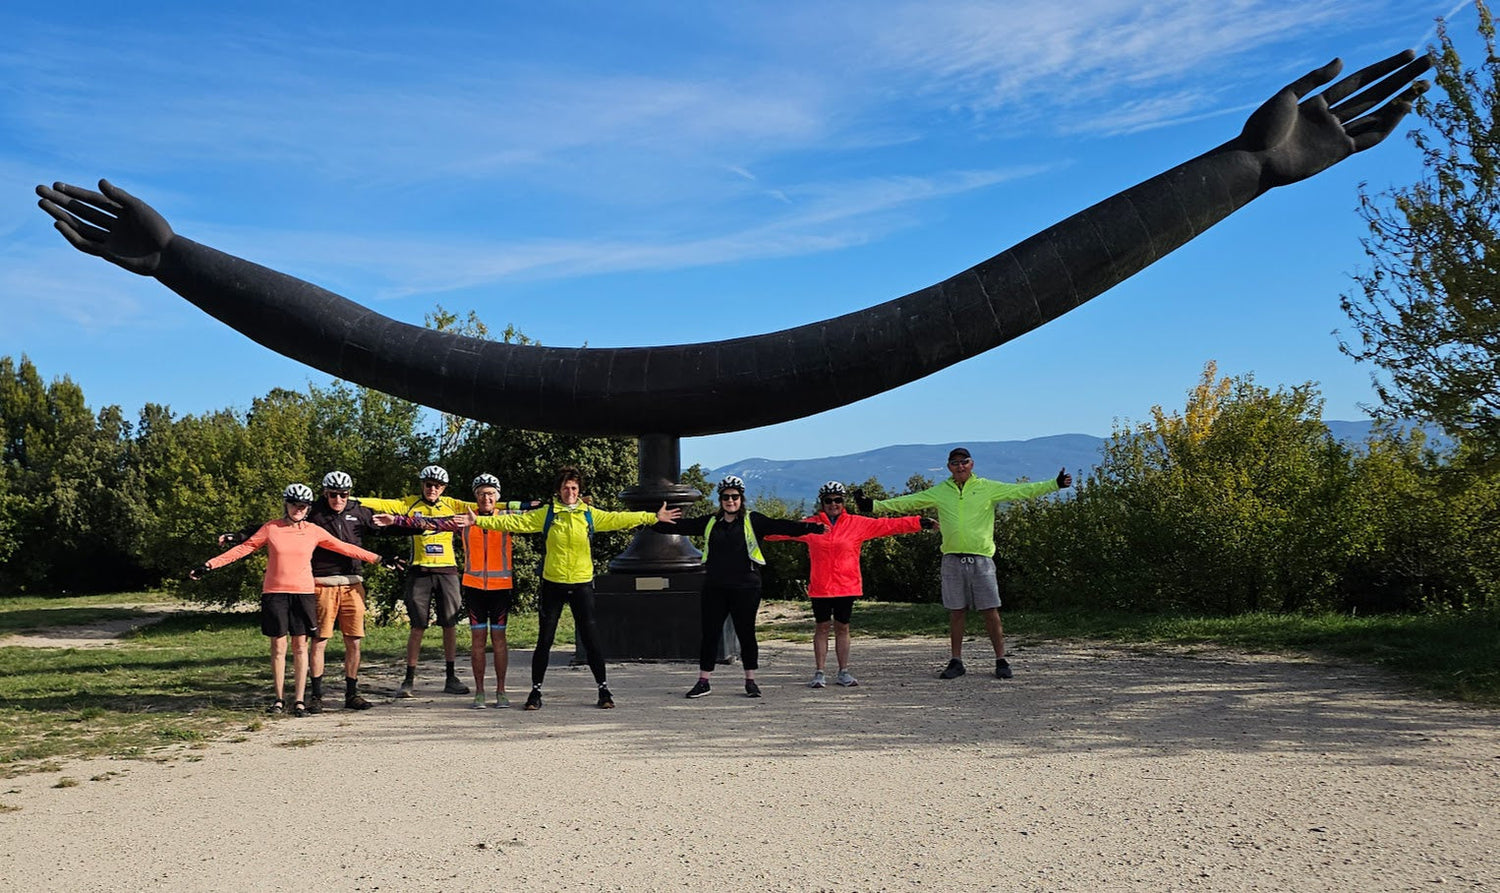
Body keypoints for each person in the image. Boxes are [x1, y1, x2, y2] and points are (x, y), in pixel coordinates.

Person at [457, 466, 680, 710]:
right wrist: (478, 520)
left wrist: (651, 517)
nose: (570, 492)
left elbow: (618, 518)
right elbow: (515, 521)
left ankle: (603, 690)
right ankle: (535, 693)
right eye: (565, 488)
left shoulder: (588, 514)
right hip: (553, 583)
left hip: (582, 582)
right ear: (558, 491)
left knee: (591, 638)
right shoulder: (548, 514)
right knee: (545, 640)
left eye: (574, 488)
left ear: (579, 490)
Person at [856, 448, 1070, 680]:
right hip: (952, 559)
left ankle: (1001, 660)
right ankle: (956, 661)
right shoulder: (941, 491)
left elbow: (1022, 491)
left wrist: (1055, 484)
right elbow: (909, 501)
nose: (960, 466)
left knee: (990, 611)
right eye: (955, 463)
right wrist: (874, 506)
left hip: (981, 559)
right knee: (956, 611)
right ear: (949, 467)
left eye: (964, 462)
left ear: (972, 464)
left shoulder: (987, 488)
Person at [190, 483, 400, 717]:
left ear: (308, 508)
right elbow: (244, 548)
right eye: (294, 504)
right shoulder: (271, 528)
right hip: (275, 593)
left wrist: (380, 559)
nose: (298, 509)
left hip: (304, 592)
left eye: (303, 506)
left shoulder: (313, 530)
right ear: (286, 504)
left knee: (300, 647)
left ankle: (300, 700)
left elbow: (346, 548)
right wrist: (209, 565)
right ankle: (279, 699)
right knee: (278, 647)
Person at [661, 475, 824, 700]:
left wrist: (810, 528)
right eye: (726, 497)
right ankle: (703, 681)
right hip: (715, 587)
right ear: (720, 499)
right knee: (710, 634)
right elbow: (680, 526)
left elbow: (781, 525)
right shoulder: (710, 522)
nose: (731, 501)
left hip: (746, 587)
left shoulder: (753, 520)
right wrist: (652, 520)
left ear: (741, 498)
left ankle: (750, 681)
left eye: (735, 496)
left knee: (746, 633)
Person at [766, 481, 936, 688]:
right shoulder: (812, 525)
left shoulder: (857, 523)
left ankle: (843, 671)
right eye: (828, 500)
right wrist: (754, 528)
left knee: (842, 627)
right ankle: (819, 672)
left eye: (838, 500)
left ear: (843, 501)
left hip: (846, 585)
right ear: (822, 502)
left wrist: (919, 522)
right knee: (821, 627)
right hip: (821, 586)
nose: (833, 504)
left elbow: (888, 525)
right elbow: (783, 531)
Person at [358, 465, 478, 698]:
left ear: (443, 488)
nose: (432, 489)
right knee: (417, 625)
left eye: (437, 486)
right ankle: (409, 679)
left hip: (447, 571)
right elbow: (378, 502)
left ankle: (451, 677)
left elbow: (487, 503)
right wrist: (347, 496)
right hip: (419, 570)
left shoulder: (452, 504)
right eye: (428, 484)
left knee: (449, 624)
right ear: (422, 485)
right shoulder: (409, 503)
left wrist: (523, 507)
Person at [459, 473, 534, 709]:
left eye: (490, 493)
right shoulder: (464, 519)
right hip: (473, 587)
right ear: (475, 497)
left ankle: (501, 690)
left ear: (497, 496)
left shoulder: (508, 518)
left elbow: (537, 514)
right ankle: (480, 692)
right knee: (478, 641)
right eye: (481, 493)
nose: (486, 498)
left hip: (500, 587)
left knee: (499, 640)